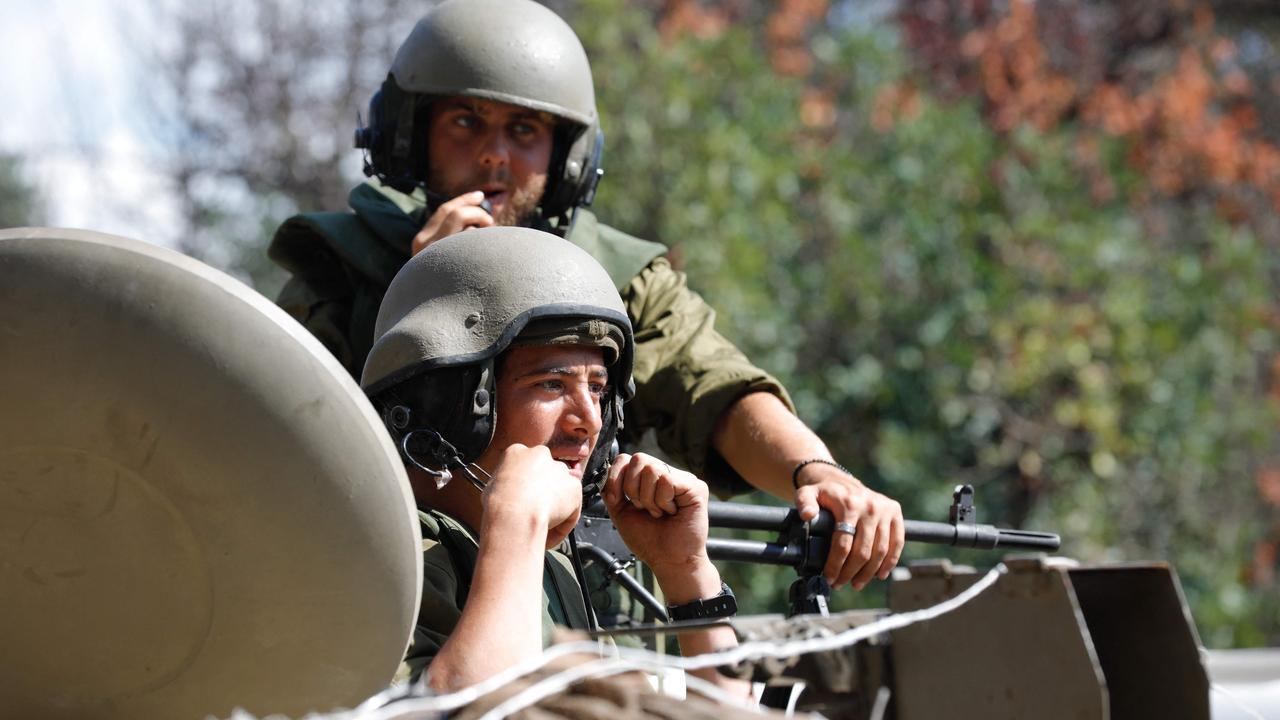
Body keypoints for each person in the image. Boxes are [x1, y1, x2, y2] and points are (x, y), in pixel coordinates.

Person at [269, 0, 903, 594]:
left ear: (566, 159)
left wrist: (815, 472)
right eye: (466, 122)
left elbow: (716, 385)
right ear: (412, 136)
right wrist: (414, 291)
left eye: (523, 130)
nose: (494, 156)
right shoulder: (342, 270)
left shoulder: (613, 278)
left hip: (579, 596)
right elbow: (288, 447)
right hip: (389, 585)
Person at [362, 226, 748, 693]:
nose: (588, 421)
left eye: (598, 389)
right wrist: (515, 524)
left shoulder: (561, 561)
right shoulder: (375, 558)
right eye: (552, 385)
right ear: (445, 403)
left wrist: (687, 576)